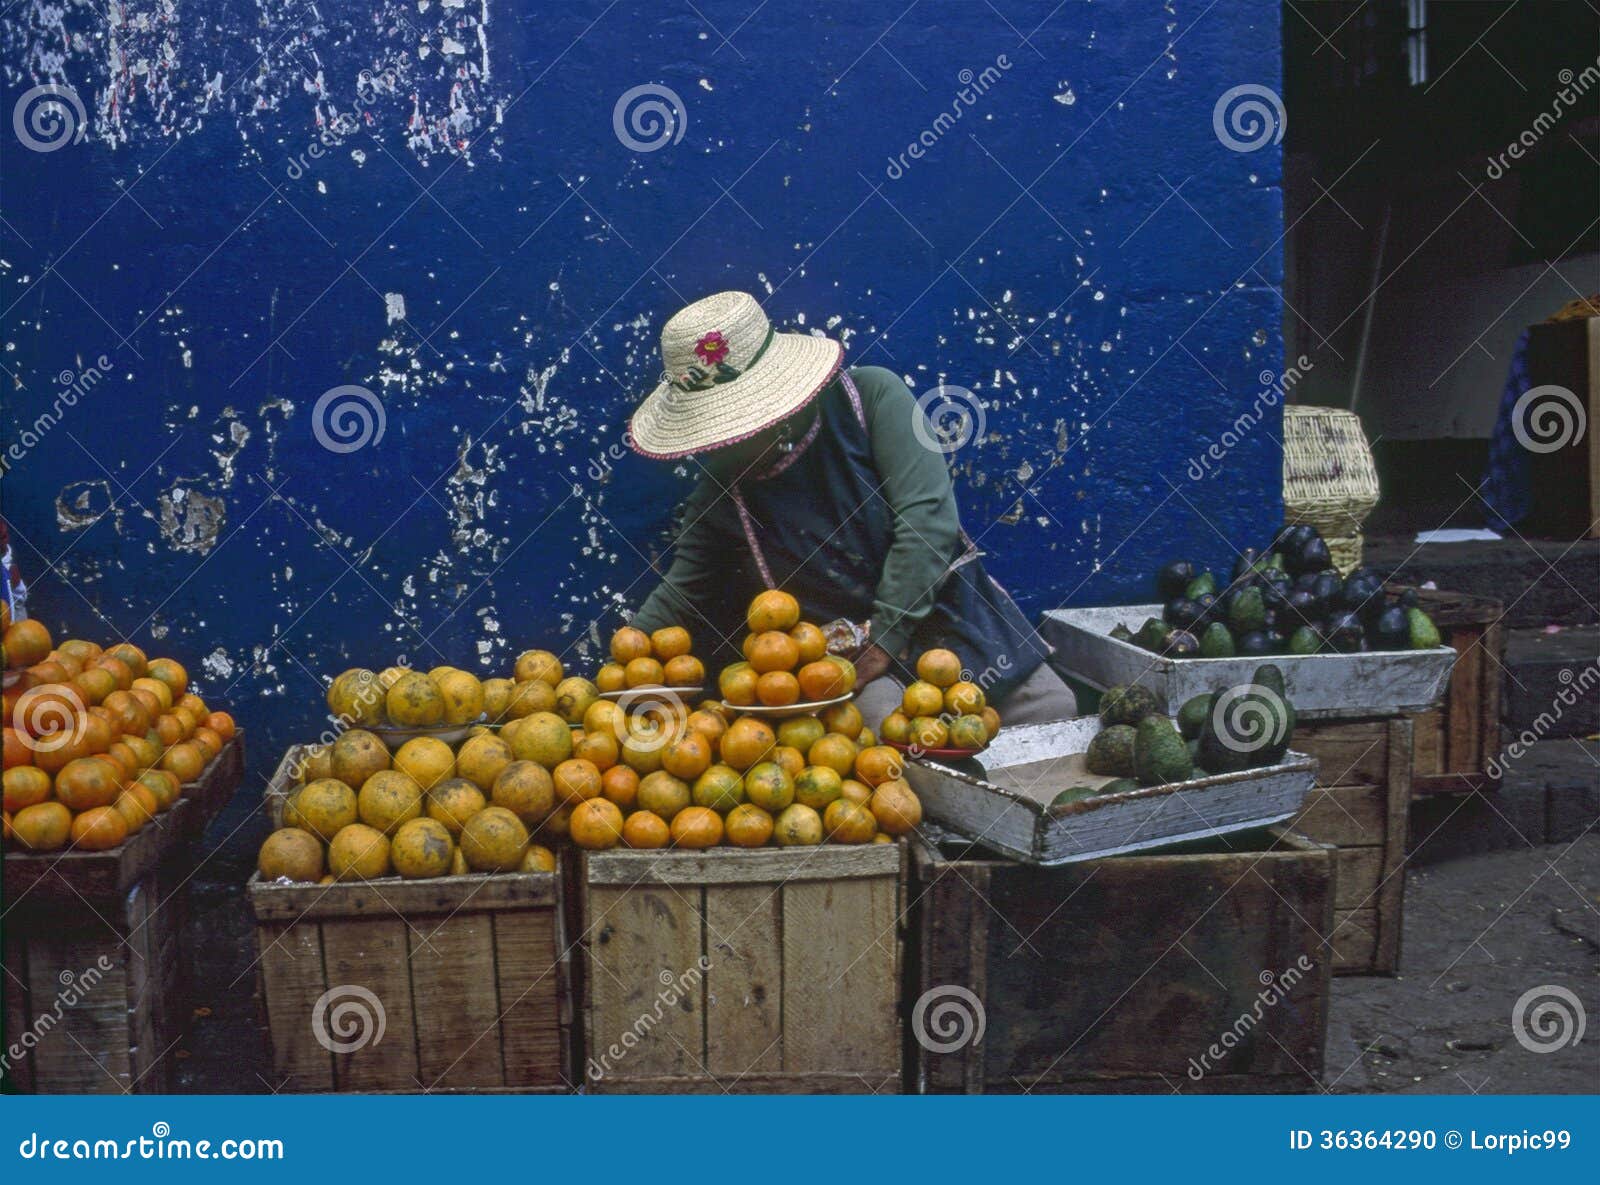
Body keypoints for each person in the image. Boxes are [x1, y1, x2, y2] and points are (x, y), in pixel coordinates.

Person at [626, 290, 1077, 729]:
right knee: (895, 753)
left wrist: (886, 637)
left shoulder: (872, 399)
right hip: (852, 664)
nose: (730, 438)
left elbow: (928, 522)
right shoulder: (723, 490)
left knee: (1054, 712)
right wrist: (615, 669)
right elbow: (682, 593)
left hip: (955, 623)